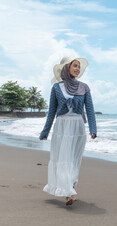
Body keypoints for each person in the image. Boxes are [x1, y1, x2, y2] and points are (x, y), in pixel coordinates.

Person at [39, 56, 97, 206]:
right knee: (62, 159)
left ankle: (70, 188)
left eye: (79, 66)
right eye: (75, 66)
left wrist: (93, 129)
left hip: (77, 126)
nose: (78, 69)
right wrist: (45, 132)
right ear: (66, 68)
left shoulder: (84, 87)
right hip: (62, 126)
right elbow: (51, 111)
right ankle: (69, 192)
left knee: (73, 160)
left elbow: (90, 110)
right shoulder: (57, 88)